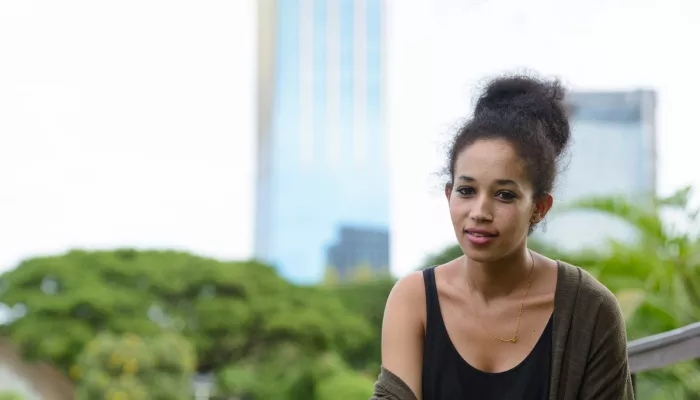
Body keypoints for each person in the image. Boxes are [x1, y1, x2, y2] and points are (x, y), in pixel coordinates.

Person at [371, 75, 634, 400]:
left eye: (505, 195)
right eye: (466, 191)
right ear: (449, 195)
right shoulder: (414, 301)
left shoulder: (590, 310)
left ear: (539, 207)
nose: (480, 211)